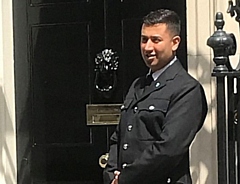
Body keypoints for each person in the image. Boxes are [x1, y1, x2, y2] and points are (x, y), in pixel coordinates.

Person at [103, 9, 208, 184]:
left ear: (175, 43)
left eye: (156, 40)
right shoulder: (138, 85)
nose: (148, 47)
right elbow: (119, 138)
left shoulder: (186, 89)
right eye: (144, 40)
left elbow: (169, 149)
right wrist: (111, 174)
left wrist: (126, 178)